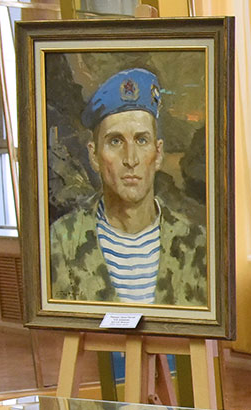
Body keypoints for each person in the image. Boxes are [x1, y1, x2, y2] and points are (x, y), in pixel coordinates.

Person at [47, 67, 209, 308]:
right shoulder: (62, 241)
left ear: (158, 153)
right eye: (115, 141)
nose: (130, 159)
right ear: (94, 155)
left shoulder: (196, 243)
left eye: (142, 140)